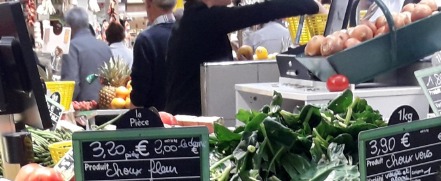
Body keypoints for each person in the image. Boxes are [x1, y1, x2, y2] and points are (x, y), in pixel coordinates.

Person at [164, 0, 317, 116]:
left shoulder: (188, 22)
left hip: (182, 114)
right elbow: (259, 11)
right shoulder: (204, 19)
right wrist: (311, 5)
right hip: (192, 120)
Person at [61, 6, 112, 102]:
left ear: (68, 26)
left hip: (84, 108)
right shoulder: (105, 47)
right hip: (108, 105)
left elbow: (72, 83)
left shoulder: (72, 47)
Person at [131, 0, 175, 109]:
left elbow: (139, 93)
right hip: (186, 119)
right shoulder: (187, 34)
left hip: (155, 119)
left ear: (148, 3)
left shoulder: (146, 40)